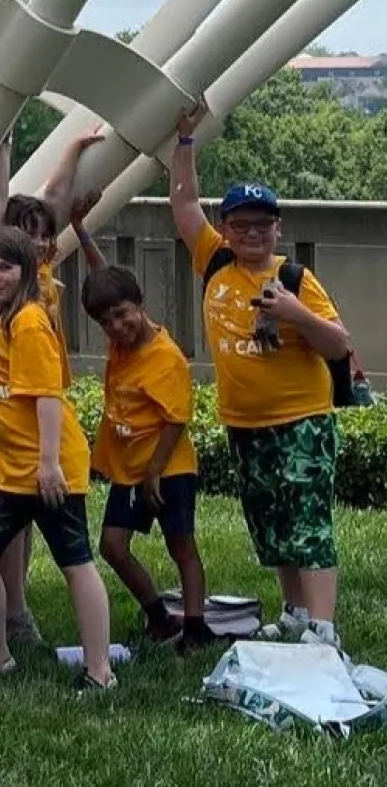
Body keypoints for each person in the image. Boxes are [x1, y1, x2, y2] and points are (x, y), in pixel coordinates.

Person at [170, 112, 352, 648]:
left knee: (309, 522)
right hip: (245, 424)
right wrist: (185, 141)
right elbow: (183, 204)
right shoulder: (214, 263)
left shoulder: (297, 279)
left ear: (279, 228)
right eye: (240, 224)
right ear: (225, 228)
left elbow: (338, 345)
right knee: (271, 523)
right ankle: (295, 612)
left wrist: (296, 313)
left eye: (261, 224)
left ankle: (323, 629)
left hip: (302, 421)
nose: (251, 233)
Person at [0, 127, 103, 645]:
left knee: (30, 520)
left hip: (41, 405)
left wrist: (74, 149)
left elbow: (52, 199)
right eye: (24, 233)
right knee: (7, 518)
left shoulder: (40, 275)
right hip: (2, 408)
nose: (36, 240)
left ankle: (18, 609)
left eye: (42, 234)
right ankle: (13, 611)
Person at [0, 226, 114, 690]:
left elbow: (47, 396)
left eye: (4, 268)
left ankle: (99, 670)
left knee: (75, 562)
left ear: (25, 270)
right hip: (5, 471)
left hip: (49, 467)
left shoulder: (28, 319)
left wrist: (48, 464)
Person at [83, 265, 212, 651]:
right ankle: (159, 617)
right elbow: (102, 274)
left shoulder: (164, 357)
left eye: (122, 315)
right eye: (106, 322)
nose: (117, 326)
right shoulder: (122, 345)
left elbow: (176, 420)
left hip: (167, 468)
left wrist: (155, 472)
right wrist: (81, 227)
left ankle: (195, 628)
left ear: (141, 305)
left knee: (181, 545)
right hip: (130, 469)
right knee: (112, 546)